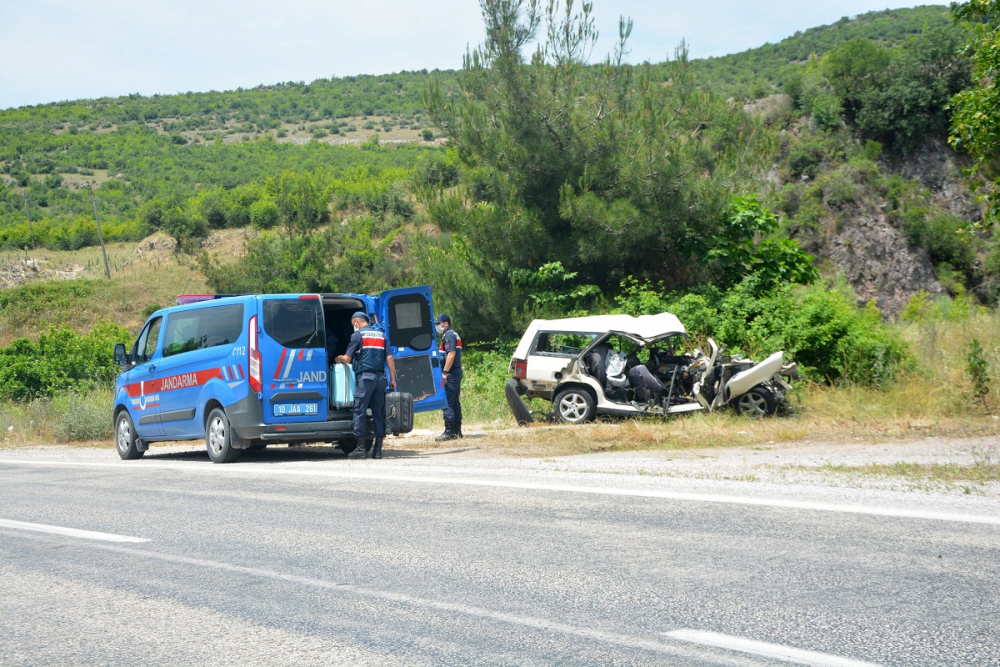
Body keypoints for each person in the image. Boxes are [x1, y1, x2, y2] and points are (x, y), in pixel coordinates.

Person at [336, 312, 396, 459]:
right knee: (378, 413)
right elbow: (389, 358)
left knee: (359, 411)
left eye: (353, 325)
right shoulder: (381, 335)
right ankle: (378, 451)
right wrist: (393, 379)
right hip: (381, 378)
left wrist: (339, 358)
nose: (354, 327)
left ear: (357, 322)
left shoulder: (358, 336)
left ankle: (360, 448)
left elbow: (348, 358)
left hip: (365, 378)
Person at [434, 313, 463, 441]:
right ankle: (457, 430)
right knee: (455, 402)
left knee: (447, 402)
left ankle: (449, 430)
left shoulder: (449, 336)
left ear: (445, 323)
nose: (437, 326)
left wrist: (445, 372)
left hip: (451, 373)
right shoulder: (453, 334)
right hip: (455, 372)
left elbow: (451, 354)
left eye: (438, 324)